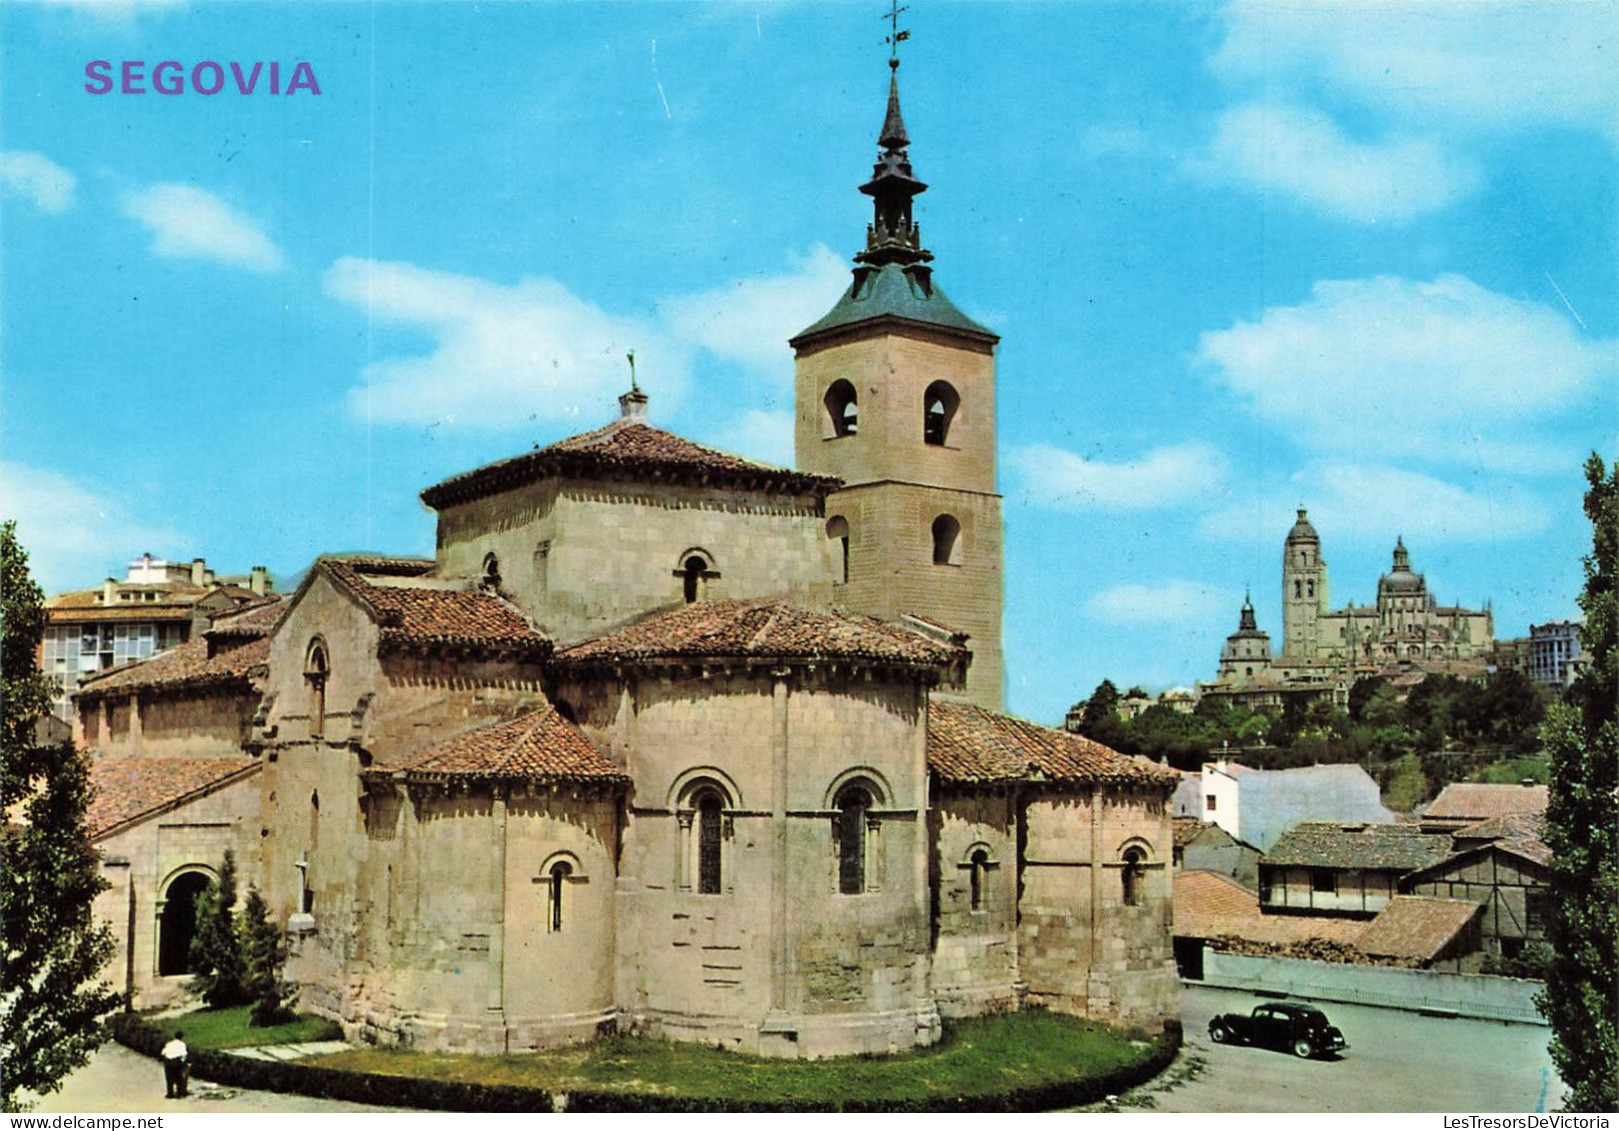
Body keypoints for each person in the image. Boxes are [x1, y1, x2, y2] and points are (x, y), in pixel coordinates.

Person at [161, 1030, 188, 1098]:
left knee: (169, 1078)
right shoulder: (182, 1044)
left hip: (168, 1061)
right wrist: (182, 1063)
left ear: (174, 1037)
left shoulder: (169, 1044)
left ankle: (170, 1093)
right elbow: (184, 1055)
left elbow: (163, 1053)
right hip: (176, 1061)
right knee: (179, 1077)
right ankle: (179, 1093)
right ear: (181, 1037)